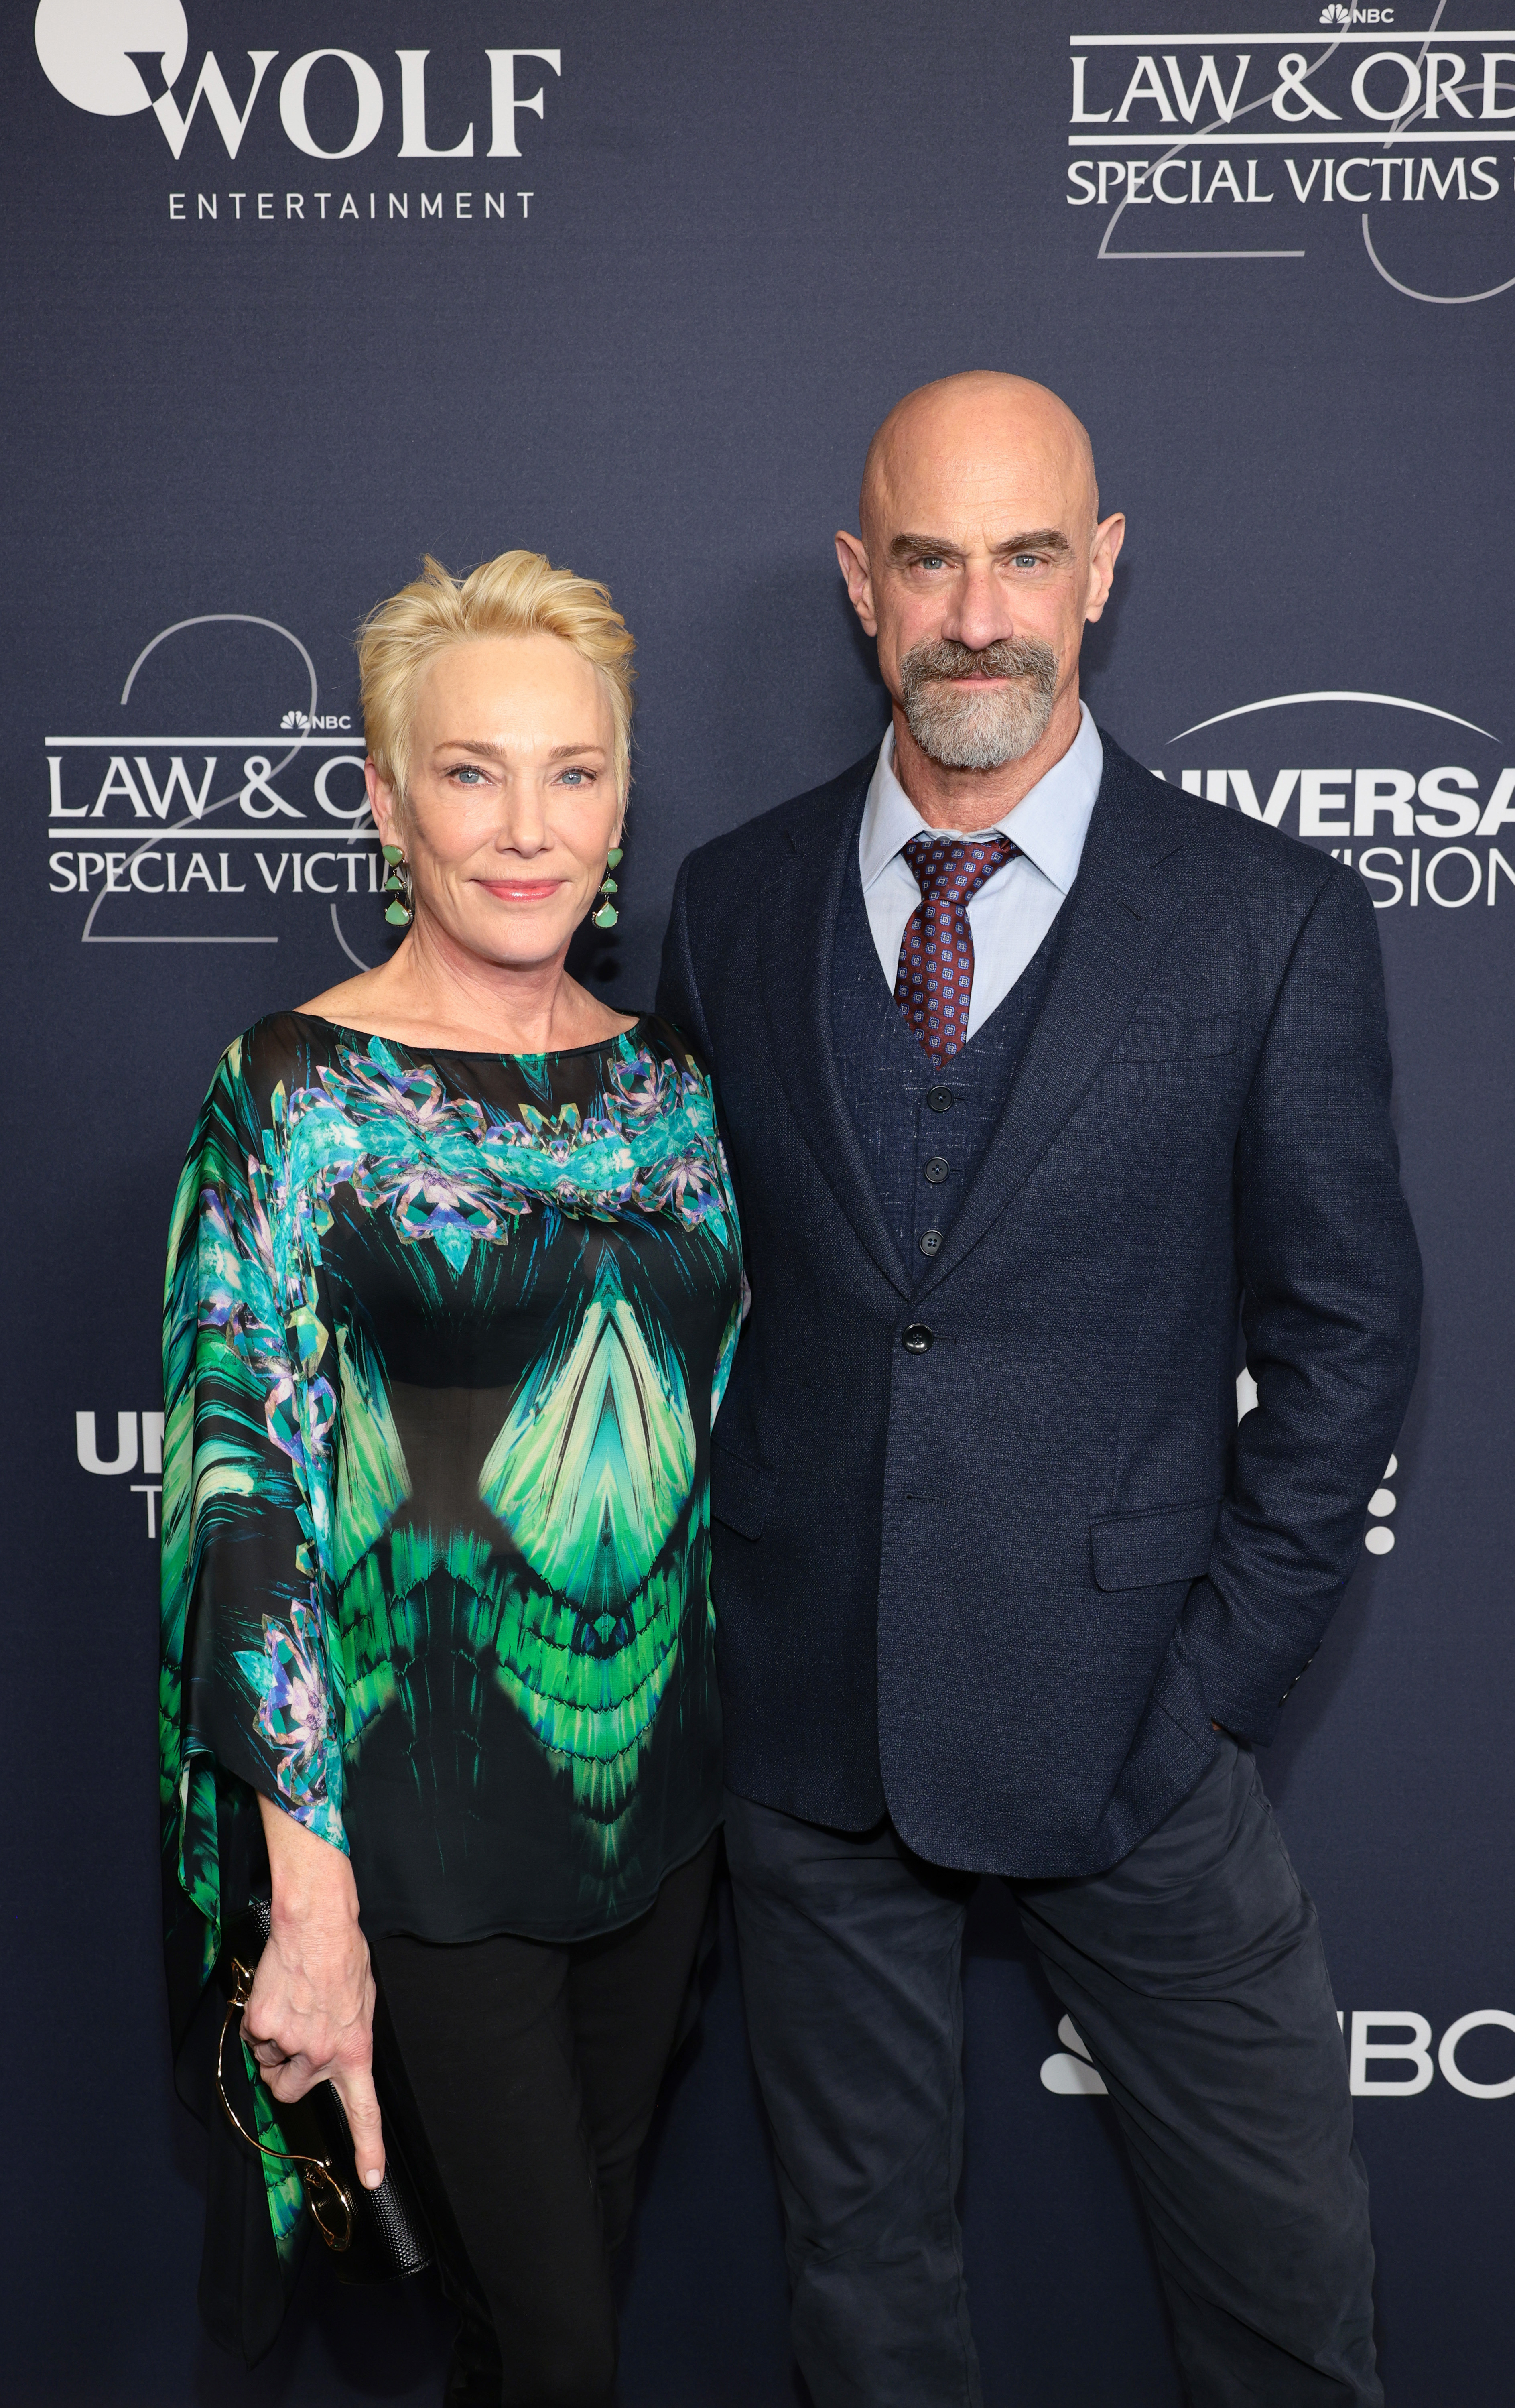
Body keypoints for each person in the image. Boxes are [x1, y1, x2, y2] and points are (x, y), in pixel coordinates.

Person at [657, 373, 1422, 2407]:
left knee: (1284, 2292)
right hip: (812, 1733)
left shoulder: (1269, 924)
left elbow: (1346, 1334)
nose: (974, 612)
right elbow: (679, 1297)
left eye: (1021, 556)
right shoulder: (729, 909)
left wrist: (1209, 1689)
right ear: (859, 584)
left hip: (1133, 1735)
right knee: (865, 2299)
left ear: (1099, 572)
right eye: (927, 558)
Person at [160, 550, 744, 2405]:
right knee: (568, 2353)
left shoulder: (671, 1079)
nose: (525, 828)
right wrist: (309, 1909)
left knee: (526, 2325)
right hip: (417, 1840)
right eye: (472, 772)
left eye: (572, 775)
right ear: (386, 797)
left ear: (623, 803)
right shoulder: (291, 1093)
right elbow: (239, 1510)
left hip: (657, 1825)